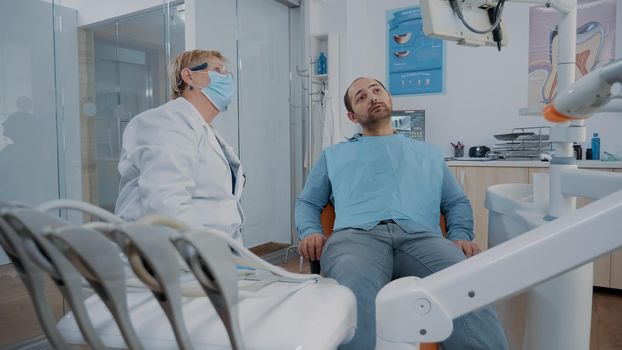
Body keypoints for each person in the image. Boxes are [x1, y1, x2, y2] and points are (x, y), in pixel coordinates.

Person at [295, 77, 509, 349]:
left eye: (376, 91)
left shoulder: (429, 155)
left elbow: (456, 202)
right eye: (361, 97)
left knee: (466, 285)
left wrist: (460, 234)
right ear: (352, 116)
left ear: (389, 99)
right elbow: (308, 202)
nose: (371, 97)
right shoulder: (334, 155)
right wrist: (311, 232)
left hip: (422, 238)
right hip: (355, 238)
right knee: (354, 290)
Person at [115, 49, 245, 243]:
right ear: (189, 76)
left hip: (209, 252)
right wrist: (209, 253)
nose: (227, 79)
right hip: (172, 256)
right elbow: (167, 205)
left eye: (228, 73)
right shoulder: (166, 122)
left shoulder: (204, 129)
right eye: (218, 71)